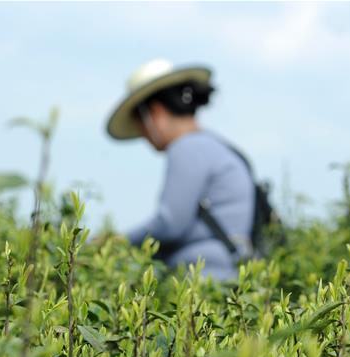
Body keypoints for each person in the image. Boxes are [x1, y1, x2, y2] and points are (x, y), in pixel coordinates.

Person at [106, 59, 255, 281]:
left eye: (141, 127)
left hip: (205, 280)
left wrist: (115, 242)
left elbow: (170, 223)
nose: (144, 138)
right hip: (230, 273)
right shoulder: (212, 145)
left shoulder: (186, 147)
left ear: (154, 114)